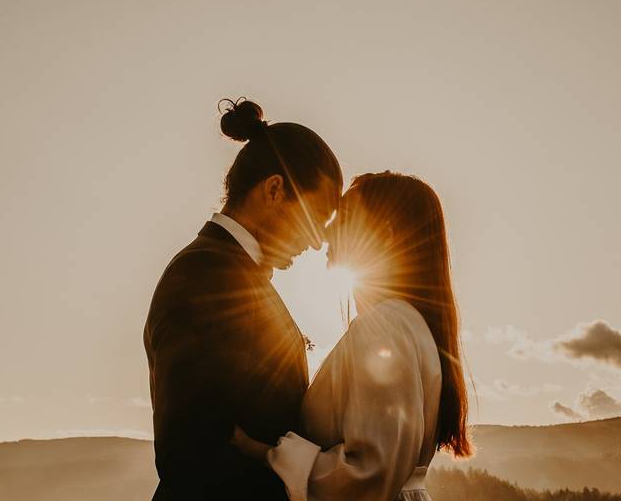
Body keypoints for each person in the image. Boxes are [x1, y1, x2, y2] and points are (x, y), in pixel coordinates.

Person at [143, 98, 342, 500]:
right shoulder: (205, 277)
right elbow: (191, 453)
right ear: (274, 190)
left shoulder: (227, 271)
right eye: (316, 217)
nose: (318, 240)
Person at [232, 172, 472, 500]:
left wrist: (265, 452)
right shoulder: (407, 324)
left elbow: (369, 475)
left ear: (383, 235)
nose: (326, 230)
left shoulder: (384, 327)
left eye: (343, 218)